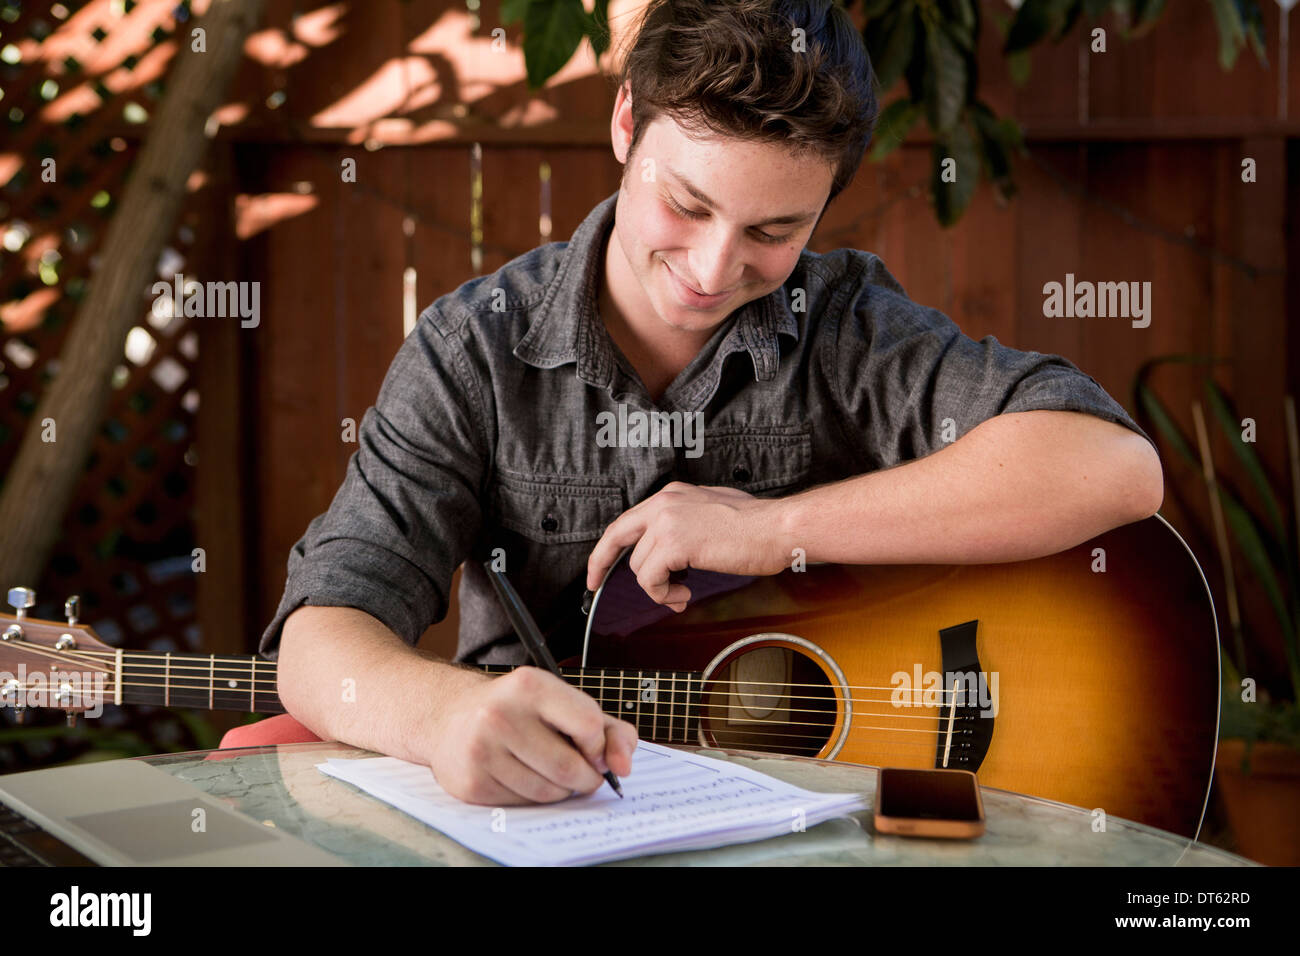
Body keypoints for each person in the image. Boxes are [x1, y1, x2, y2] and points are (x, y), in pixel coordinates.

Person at [260, 0, 1163, 807]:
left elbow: (1115, 469)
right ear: (626, 124)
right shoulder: (474, 350)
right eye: (685, 203)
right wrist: (439, 715)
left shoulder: (846, 325)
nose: (712, 268)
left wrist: (775, 530)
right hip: (558, 816)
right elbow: (324, 630)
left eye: (773, 232)